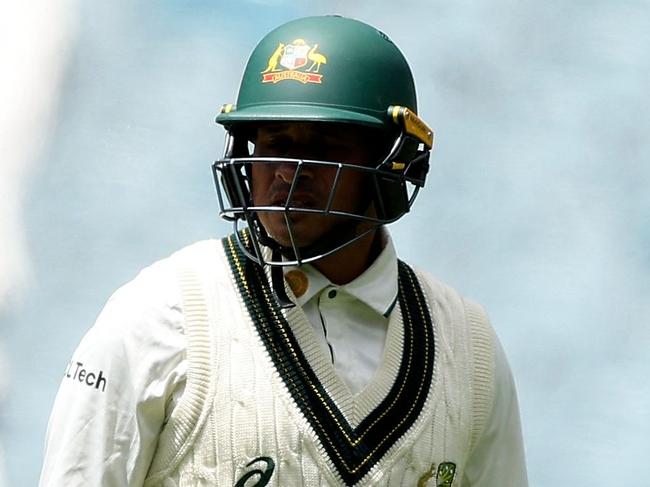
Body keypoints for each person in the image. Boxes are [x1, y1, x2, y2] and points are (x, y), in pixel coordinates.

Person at [40, 15, 528, 487]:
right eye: (274, 142)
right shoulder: (158, 316)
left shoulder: (469, 347)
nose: (288, 172)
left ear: (393, 165)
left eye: (323, 146)